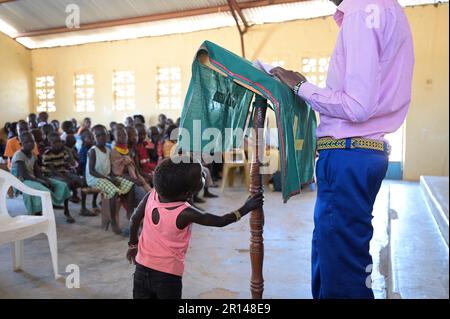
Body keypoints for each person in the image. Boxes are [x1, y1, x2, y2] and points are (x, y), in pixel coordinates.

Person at [271, 0, 414, 299]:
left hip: (349, 154)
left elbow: (357, 106)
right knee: (335, 255)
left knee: (342, 270)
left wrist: (301, 87)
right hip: (359, 153)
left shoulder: (363, 11)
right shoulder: (385, 8)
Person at [126, 156, 263, 299]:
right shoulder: (185, 213)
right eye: (200, 177)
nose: (203, 175)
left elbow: (135, 219)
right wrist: (246, 208)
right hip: (167, 277)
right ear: (187, 193)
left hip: (141, 269)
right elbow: (221, 221)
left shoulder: (152, 194)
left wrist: (133, 245)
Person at [11, 132, 73, 222]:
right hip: (22, 181)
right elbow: (24, 175)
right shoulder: (19, 155)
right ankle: (41, 214)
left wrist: (45, 179)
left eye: (32, 141)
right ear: (21, 144)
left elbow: (38, 173)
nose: (30, 144)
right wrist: (40, 181)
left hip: (32, 178)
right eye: (27, 142)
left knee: (62, 185)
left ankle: (66, 212)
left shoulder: (33, 155)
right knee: (44, 191)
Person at [86, 125, 135, 234]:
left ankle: (130, 212)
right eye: (98, 135)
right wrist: (109, 179)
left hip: (107, 177)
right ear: (94, 137)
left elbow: (110, 169)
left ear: (108, 135)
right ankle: (113, 222)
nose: (101, 137)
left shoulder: (108, 150)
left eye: (104, 134)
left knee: (130, 184)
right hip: (95, 179)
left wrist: (113, 178)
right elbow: (91, 171)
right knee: (113, 191)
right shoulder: (93, 151)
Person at [42, 132, 85, 206]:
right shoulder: (47, 153)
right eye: (55, 142)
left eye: (59, 141)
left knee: (80, 180)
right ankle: (65, 206)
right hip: (50, 174)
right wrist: (64, 177)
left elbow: (70, 163)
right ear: (50, 143)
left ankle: (81, 206)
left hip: (62, 172)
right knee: (66, 182)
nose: (58, 144)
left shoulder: (63, 151)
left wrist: (69, 151)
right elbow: (53, 170)